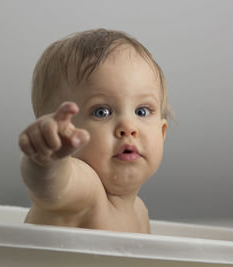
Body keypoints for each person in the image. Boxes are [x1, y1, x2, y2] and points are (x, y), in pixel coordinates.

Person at [18, 29, 172, 234]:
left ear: (161, 133)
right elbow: (52, 186)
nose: (128, 127)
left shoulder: (140, 212)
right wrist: (46, 159)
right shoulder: (86, 193)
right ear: (64, 131)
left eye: (142, 111)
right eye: (102, 112)